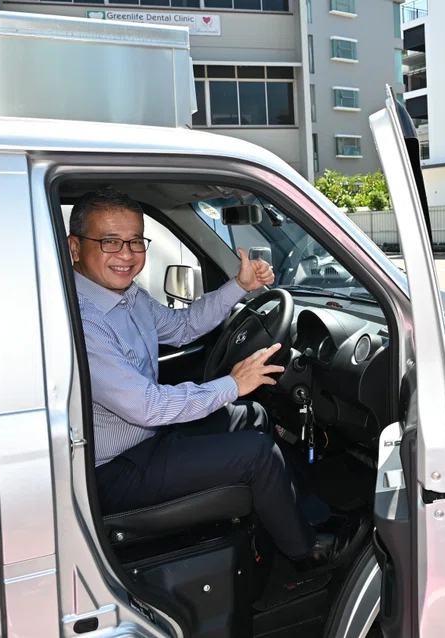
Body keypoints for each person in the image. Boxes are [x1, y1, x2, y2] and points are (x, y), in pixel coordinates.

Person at [68, 187, 344, 572]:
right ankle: (304, 552)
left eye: (135, 241)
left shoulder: (129, 295)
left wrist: (240, 286)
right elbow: (147, 407)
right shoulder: (82, 320)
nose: (127, 255)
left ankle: (308, 515)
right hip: (112, 469)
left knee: (253, 415)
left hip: (147, 437)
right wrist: (232, 383)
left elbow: (183, 327)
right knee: (258, 453)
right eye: (110, 242)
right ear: (75, 247)